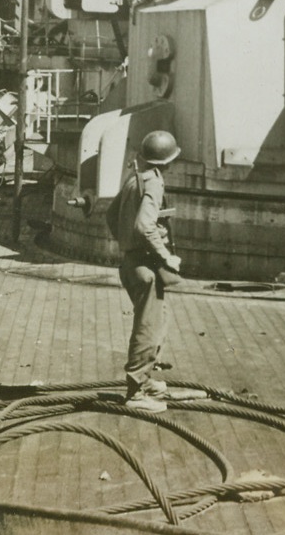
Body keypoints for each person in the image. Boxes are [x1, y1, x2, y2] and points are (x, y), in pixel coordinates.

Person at [105, 130, 199, 411]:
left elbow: (112, 214)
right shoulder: (154, 184)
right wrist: (166, 256)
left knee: (158, 321)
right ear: (168, 160)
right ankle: (136, 392)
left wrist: (127, 244)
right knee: (148, 328)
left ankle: (145, 381)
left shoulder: (135, 177)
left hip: (133, 263)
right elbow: (145, 226)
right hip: (144, 266)